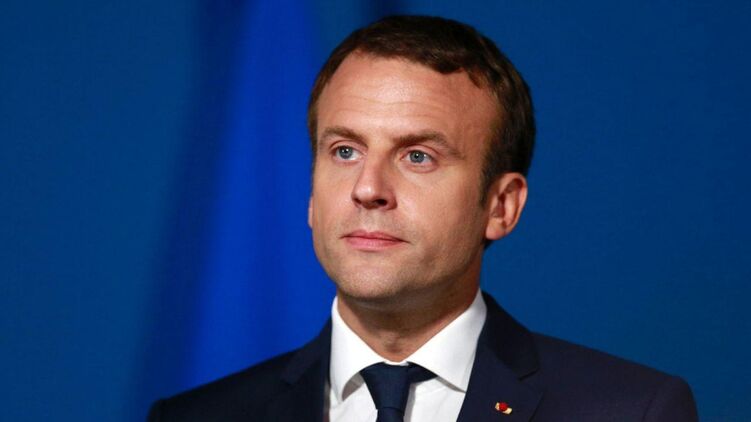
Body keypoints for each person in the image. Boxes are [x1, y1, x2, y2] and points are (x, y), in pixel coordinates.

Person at [148, 15, 698, 421]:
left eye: (417, 157)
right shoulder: (196, 418)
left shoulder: (631, 411)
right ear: (311, 195)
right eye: (344, 151)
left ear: (501, 206)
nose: (367, 189)